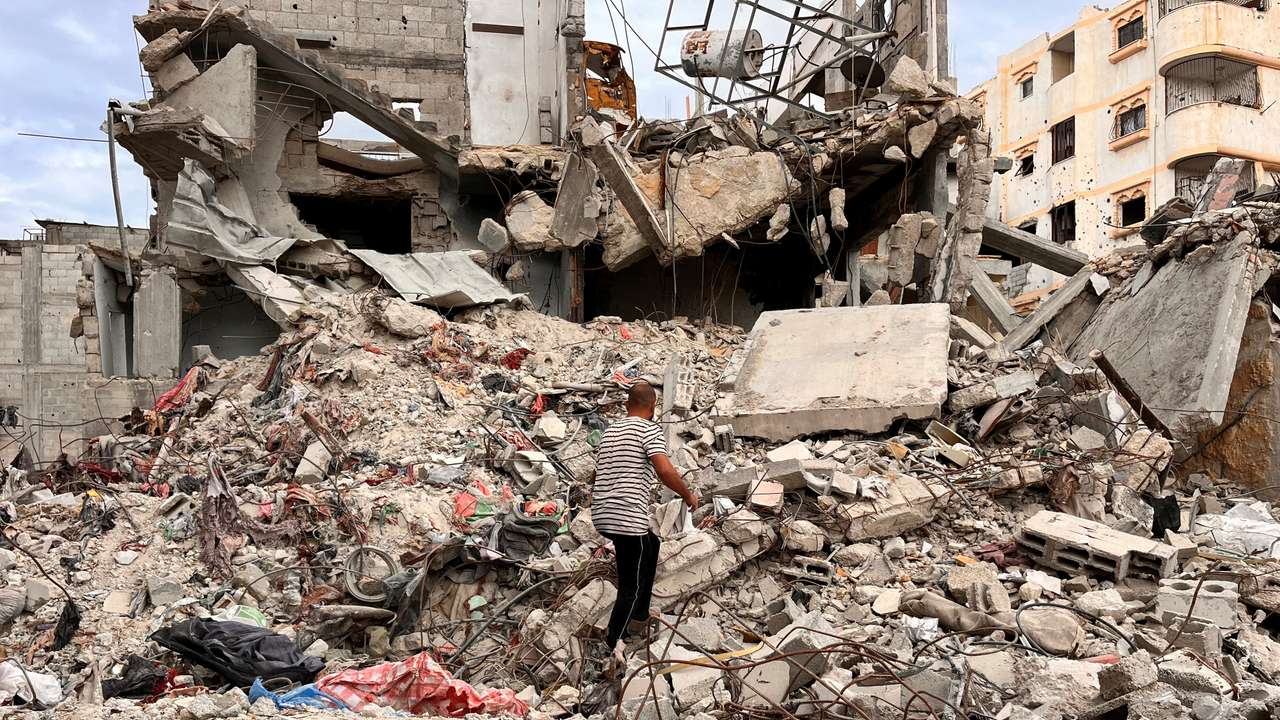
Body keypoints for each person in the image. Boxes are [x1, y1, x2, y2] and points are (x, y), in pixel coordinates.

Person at [590, 381, 700, 659]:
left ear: (628, 405)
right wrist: (687, 495)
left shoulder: (611, 431)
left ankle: (639, 615)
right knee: (632, 584)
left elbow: (598, 473)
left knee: (650, 545)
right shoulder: (649, 429)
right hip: (627, 518)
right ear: (652, 407)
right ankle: (614, 641)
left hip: (603, 513)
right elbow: (663, 469)